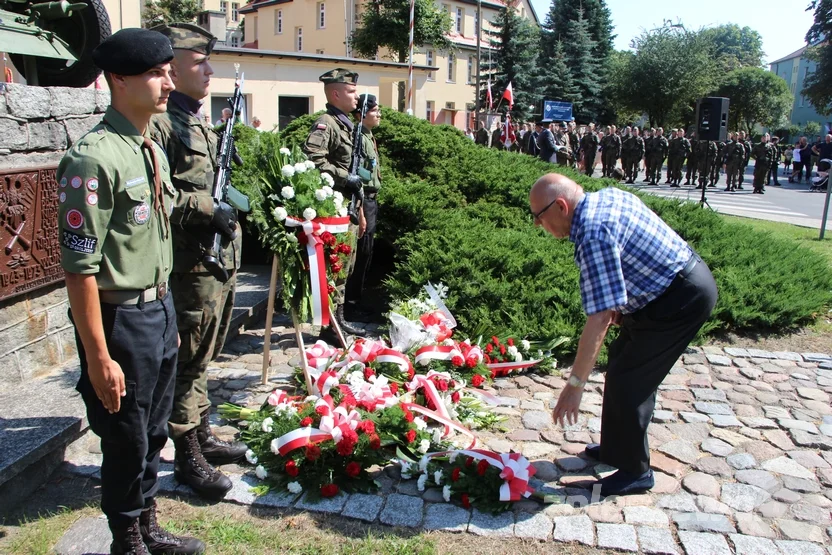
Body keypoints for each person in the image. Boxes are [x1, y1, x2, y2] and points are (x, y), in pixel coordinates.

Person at [59, 28, 205, 554]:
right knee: (125, 437)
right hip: (122, 321)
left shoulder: (148, 149)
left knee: (154, 431)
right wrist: (98, 357)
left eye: (168, 71)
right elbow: (79, 271)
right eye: (155, 73)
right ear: (118, 80)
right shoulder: (92, 160)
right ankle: (126, 538)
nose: (168, 83)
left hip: (160, 309)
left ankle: (147, 523)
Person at [530, 174, 717, 496]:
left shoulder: (592, 233)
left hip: (680, 300)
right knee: (620, 365)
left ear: (561, 206)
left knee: (631, 380)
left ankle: (635, 471)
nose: (538, 224)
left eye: (539, 216)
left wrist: (575, 385)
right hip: (669, 290)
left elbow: (599, 317)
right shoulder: (607, 197)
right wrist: (622, 302)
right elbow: (632, 251)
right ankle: (617, 449)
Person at [149, 22, 247, 501]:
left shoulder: (196, 119)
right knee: (188, 359)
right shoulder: (162, 124)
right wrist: (209, 208)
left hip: (216, 263)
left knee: (205, 355)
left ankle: (203, 435)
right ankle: (187, 454)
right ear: (171, 68)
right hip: (189, 265)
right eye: (198, 62)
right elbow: (157, 200)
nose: (208, 70)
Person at [302, 68, 364, 341]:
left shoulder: (346, 124)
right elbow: (313, 159)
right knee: (335, 265)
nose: (356, 96)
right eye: (351, 91)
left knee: (345, 267)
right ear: (336, 93)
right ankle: (329, 327)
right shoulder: (325, 123)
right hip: (334, 210)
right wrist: (344, 177)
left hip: (348, 207)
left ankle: (338, 319)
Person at [345, 94, 381, 322]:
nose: (379, 114)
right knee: (360, 252)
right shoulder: (357, 138)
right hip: (363, 200)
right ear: (361, 114)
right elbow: (355, 174)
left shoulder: (368, 137)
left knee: (367, 252)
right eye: (375, 110)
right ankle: (349, 304)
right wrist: (359, 210)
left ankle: (355, 300)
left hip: (371, 199)